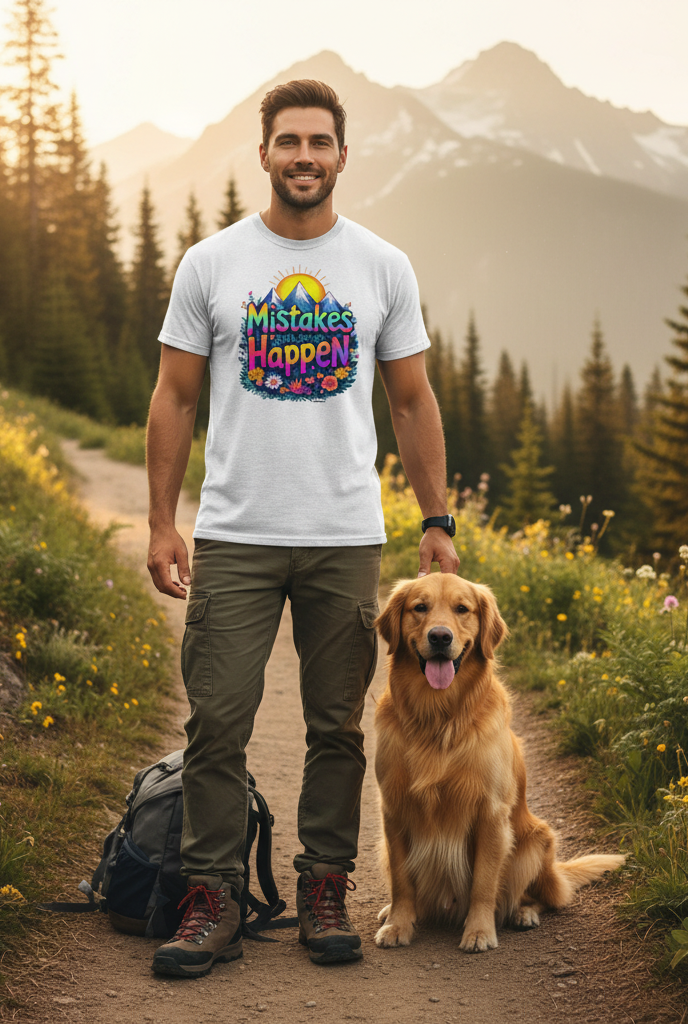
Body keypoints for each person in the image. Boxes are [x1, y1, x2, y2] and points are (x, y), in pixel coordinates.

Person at [145, 79, 458, 978]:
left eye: (320, 142)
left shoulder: (382, 267)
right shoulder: (211, 265)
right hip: (236, 534)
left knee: (337, 726)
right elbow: (173, 394)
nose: (305, 156)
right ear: (265, 155)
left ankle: (325, 885)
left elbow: (410, 399)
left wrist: (436, 520)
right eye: (290, 142)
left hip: (344, 536)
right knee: (217, 721)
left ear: (343, 157)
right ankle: (211, 898)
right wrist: (164, 522)